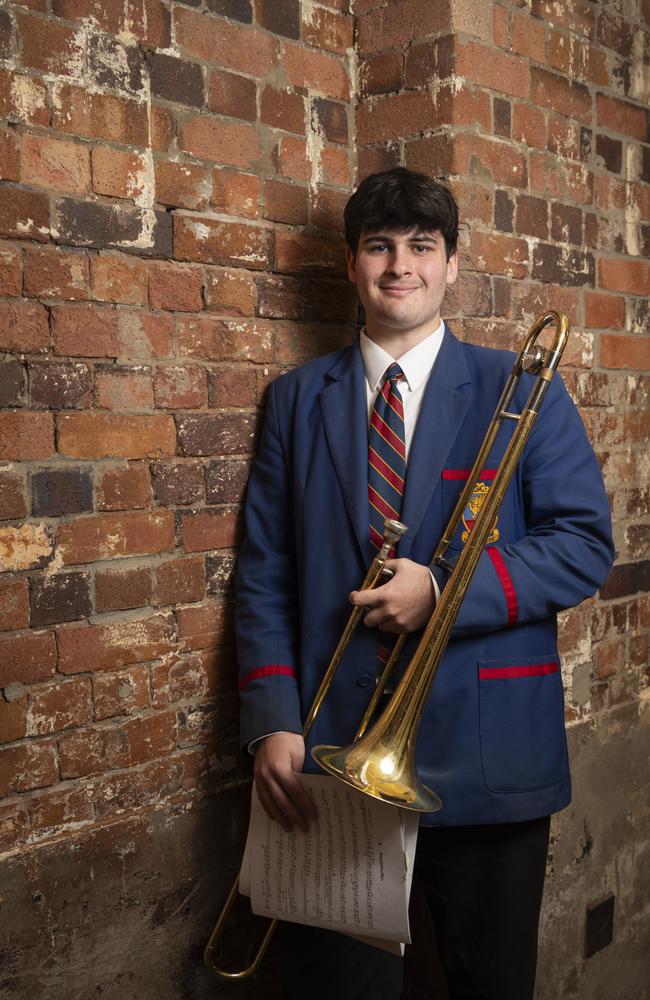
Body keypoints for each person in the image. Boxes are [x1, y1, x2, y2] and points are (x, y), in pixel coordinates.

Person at [235, 167, 615, 1000]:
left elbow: (584, 544)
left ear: (450, 265)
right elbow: (266, 574)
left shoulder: (525, 391)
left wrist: (444, 594)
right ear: (350, 264)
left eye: (421, 246)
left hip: (489, 755)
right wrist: (270, 721)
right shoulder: (295, 401)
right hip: (333, 767)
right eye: (379, 246)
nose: (399, 265)